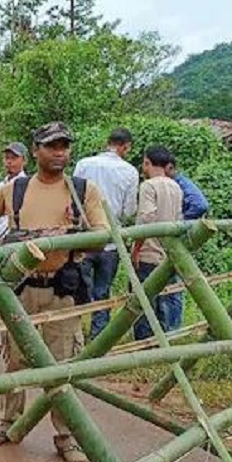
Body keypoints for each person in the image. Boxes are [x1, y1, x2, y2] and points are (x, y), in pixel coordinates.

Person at [0, 122, 109, 462]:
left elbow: (102, 237)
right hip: (21, 289)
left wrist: (67, 236)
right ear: (36, 150)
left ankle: (67, 436)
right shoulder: (13, 190)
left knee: (62, 365)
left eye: (64, 146)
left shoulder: (83, 190)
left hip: (63, 289)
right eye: (52, 146)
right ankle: (8, 423)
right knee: (15, 361)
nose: (60, 152)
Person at [73, 128, 139, 340]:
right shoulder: (130, 171)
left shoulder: (84, 164)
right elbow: (129, 211)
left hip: (84, 238)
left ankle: (74, 334)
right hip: (111, 241)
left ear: (107, 142)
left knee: (76, 288)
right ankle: (98, 337)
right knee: (103, 290)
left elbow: (72, 198)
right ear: (126, 147)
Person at [132, 146, 185, 340]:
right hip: (168, 251)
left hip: (149, 250)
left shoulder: (148, 185)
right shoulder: (175, 186)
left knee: (145, 298)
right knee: (168, 296)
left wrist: (136, 248)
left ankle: (145, 341)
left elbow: (146, 219)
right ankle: (169, 335)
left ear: (147, 162)